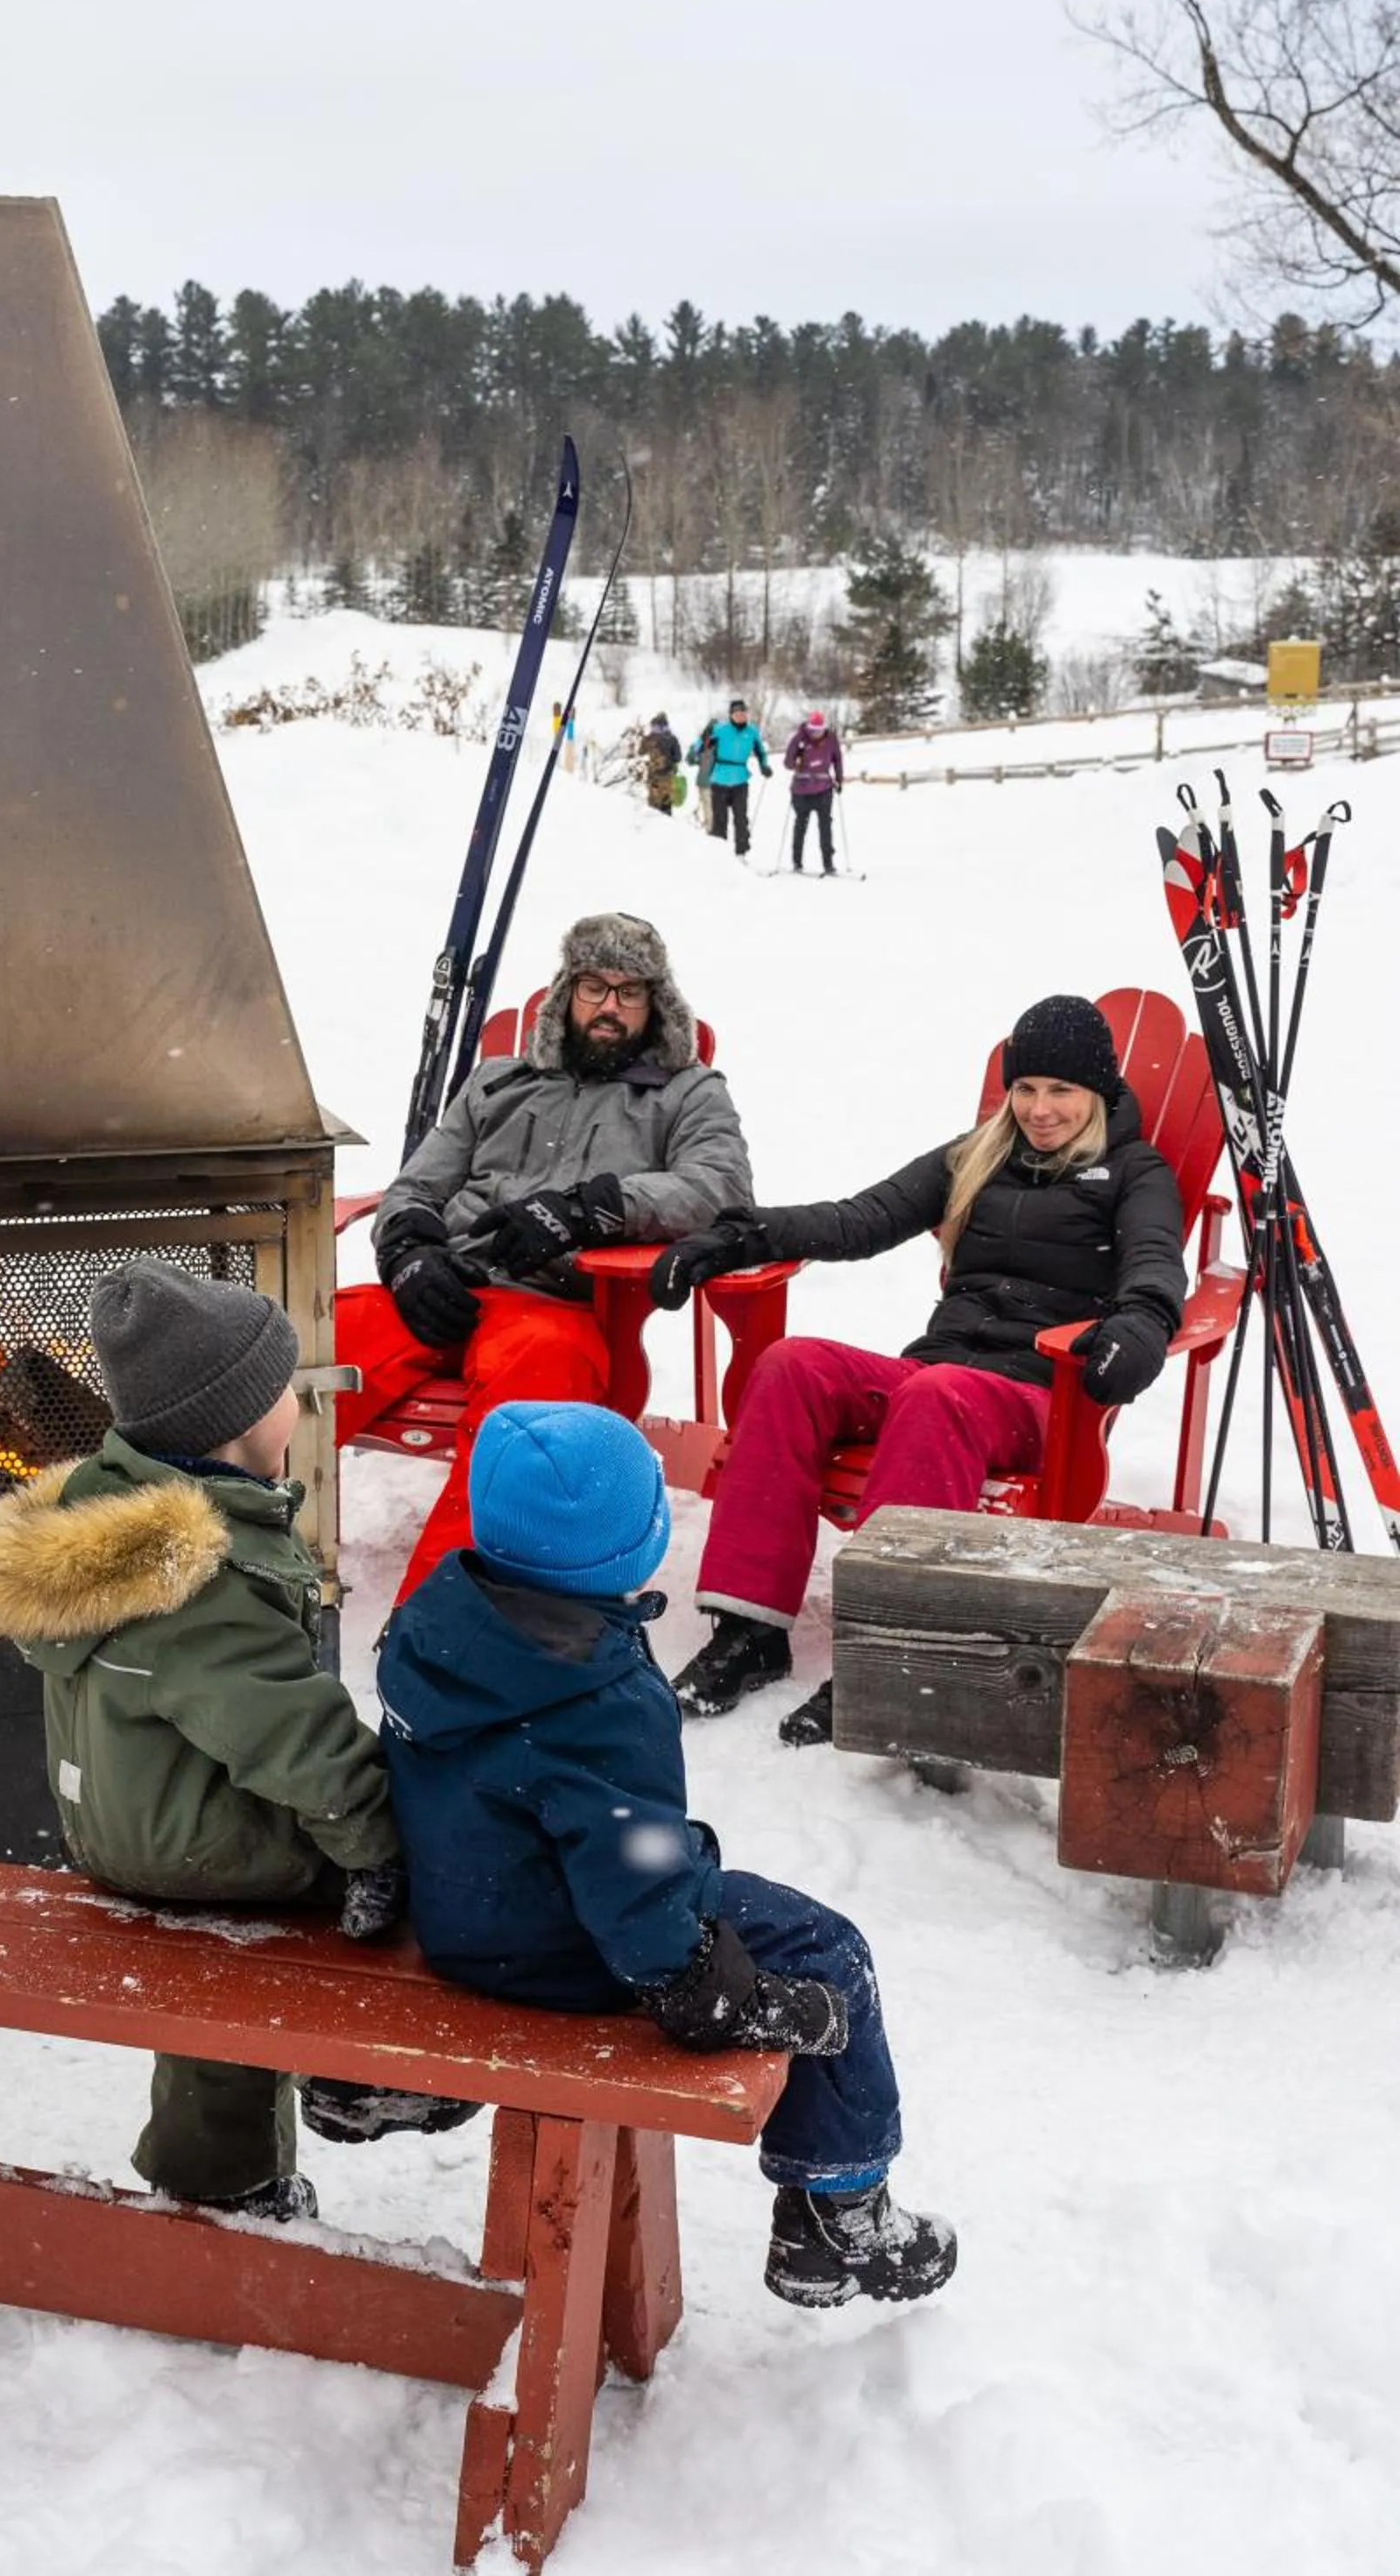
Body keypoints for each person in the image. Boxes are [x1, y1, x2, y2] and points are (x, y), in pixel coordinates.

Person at [377, 1398, 958, 2311]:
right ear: (626, 1547)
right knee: (825, 1950)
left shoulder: (437, 1622)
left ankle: (822, 2221)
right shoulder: (593, 1701)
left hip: (462, 1914)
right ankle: (844, 2206)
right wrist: (706, 1985)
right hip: (563, 1950)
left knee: (769, 1924)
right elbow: (635, 1880)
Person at [0, 1260, 478, 2220]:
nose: (296, 1397)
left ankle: (219, 2179)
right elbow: (295, 1739)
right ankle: (358, 2078)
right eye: (280, 1385)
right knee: (419, 1868)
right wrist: (378, 1849)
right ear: (235, 1420)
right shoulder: (200, 1583)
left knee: (219, 1967)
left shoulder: (107, 1513)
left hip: (129, 1822)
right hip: (191, 1847)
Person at [652, 996, 1189, 1741]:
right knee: (792, 1366)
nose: (1039, 1109)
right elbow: (857, 1219)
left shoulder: (1135, 1172)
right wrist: (738, 1237)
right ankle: (749, 1631)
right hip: (941, 1377)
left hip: (1040, 1395)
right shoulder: (975, 1155)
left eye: (1061, 1091)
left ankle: (885, 1647)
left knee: (938, 1395)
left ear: (1097, 1092)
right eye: (1025, 1089)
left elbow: (1157, 1270)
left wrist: (1138, 1326)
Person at [338, 914, 752, 1607]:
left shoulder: (688, 1092)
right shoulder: (499, 1079)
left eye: (630, 991)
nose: (610, 1006)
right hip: (443, 1283)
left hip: (551, 1305)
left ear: (657, 1006)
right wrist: (409, 1253)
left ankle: (446, 1613)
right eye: (594, 986)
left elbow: (720, 1187)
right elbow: (417, 1184)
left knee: (527, 1416)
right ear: (566, 993)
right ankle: (225, 1562)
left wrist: (590, 1208)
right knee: (307, 1355)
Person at [703, 697, 772, 859]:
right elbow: (703, 745)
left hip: (740, 780)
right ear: (731, 715)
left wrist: (764, 766)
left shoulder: (752, 731)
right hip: (720, 779)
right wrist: (706, 741)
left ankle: (741, 853)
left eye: (743, 713)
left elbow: (761, 752)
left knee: (741, 818)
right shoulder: (720, 729)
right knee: (720, 820)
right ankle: (719, 855)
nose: (741, 716)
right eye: (737, 713)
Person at [783, 710, 845, 875]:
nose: (816, 733)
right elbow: (788, 764)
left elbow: (837, 759)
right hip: (801, 791)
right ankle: (797, 863)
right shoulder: (799, 739)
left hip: (823, 789)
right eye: (813, 730)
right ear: (808, 727)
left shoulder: (831, 739)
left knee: (826, 827)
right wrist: (797, 756)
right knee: (800, 826)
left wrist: (839, 779)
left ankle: (829, 864)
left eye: (820, 730)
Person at [642, 711, 682, 814]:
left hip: (653, 776)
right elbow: (678, 757)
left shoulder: (649, 739)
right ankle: (666, 826)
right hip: (667, 777)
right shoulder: (672, 739)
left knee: (653, 804)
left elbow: (640, 753)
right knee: (666, 804)